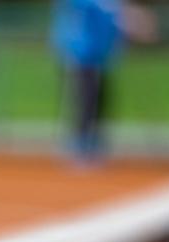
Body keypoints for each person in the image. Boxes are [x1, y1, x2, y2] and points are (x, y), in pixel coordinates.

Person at [51, 0, 155, 163]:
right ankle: (79, 145)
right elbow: (93, 10)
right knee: (85, 101)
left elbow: (116, 23)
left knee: (101, 100)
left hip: (102, 58)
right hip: (83, 56)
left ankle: (94, 142)